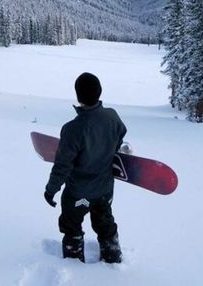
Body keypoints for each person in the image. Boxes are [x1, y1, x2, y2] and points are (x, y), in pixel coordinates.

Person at [43, 72, 127, 263]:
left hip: (77, 193)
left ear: (78, 96)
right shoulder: (113, 117)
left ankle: (73, 264)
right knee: (105, 223)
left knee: (71, 225)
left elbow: (62, 166)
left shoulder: (72, 129)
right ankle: (112, 256)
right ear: (99, 92)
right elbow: (120, 135)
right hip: (105, 190)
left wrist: (51, 190)